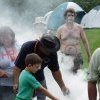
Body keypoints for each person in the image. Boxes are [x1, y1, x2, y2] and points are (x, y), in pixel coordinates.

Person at [13, 34, 70, 100]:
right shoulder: (27, 47)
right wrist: (15, 83)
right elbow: (17, 67)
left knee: (41, 95)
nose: (49, 53)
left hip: (39, 75)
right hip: (24, 75)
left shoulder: (52, 52)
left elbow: (55, 71)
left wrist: (63, 87)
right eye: (47, 50)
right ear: (41, 45)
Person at [56, 8, 91, 73]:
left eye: (72, 15)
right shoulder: (60, 29)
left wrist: (89, 55)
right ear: (65, 17)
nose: (71, 17)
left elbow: (85, 42)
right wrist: (56, 57)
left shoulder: (79, 28)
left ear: (74, 16)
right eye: (69, 15)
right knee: (66, 76)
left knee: (78, 76)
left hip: (77, 56)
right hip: (65, 57)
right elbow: (55, 44)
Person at [0, 26, 19, 100]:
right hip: (3, 84)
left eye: (7, 36)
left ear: (12, 36)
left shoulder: (19, 47)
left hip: (19, 83)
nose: (5, 39)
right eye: (2, 36)